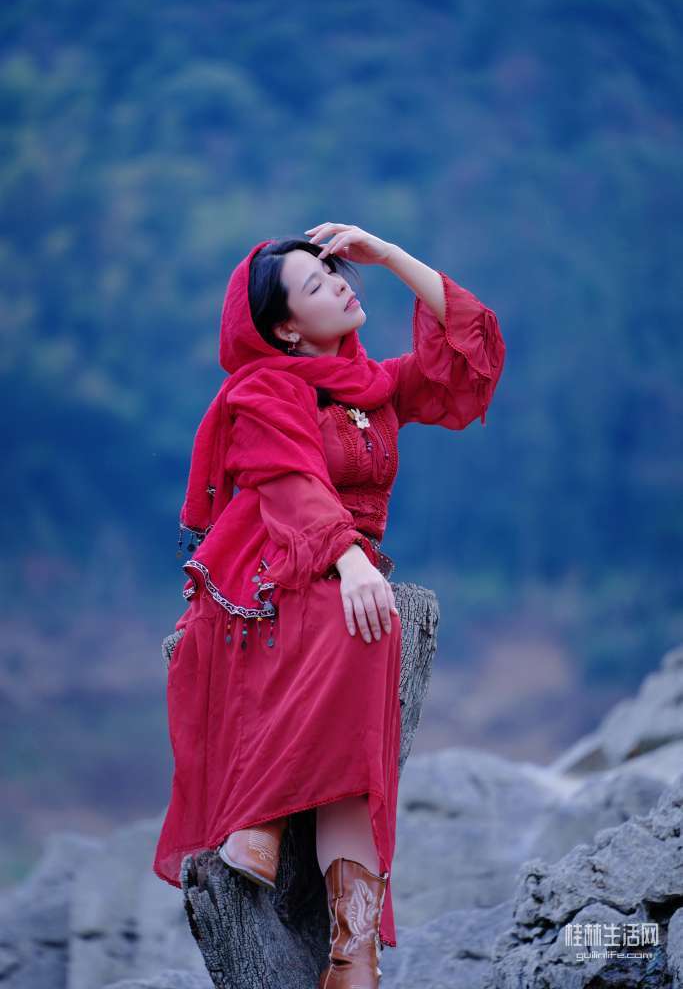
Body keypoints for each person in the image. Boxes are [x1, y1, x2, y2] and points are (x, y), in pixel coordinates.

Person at [152, 222, 506, 986]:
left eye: (338, 273)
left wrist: (390, 256)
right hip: (268, 568)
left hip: (342, 567)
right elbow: (289, 482)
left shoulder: (372, 387)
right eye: (317, 284)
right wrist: (349, 562)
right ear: (285, 328)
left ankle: (353, 955)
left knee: (357, 745)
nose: (341, 285)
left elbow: (465, 354)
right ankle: (258, 816)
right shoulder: (263, 387)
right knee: (364, 629)